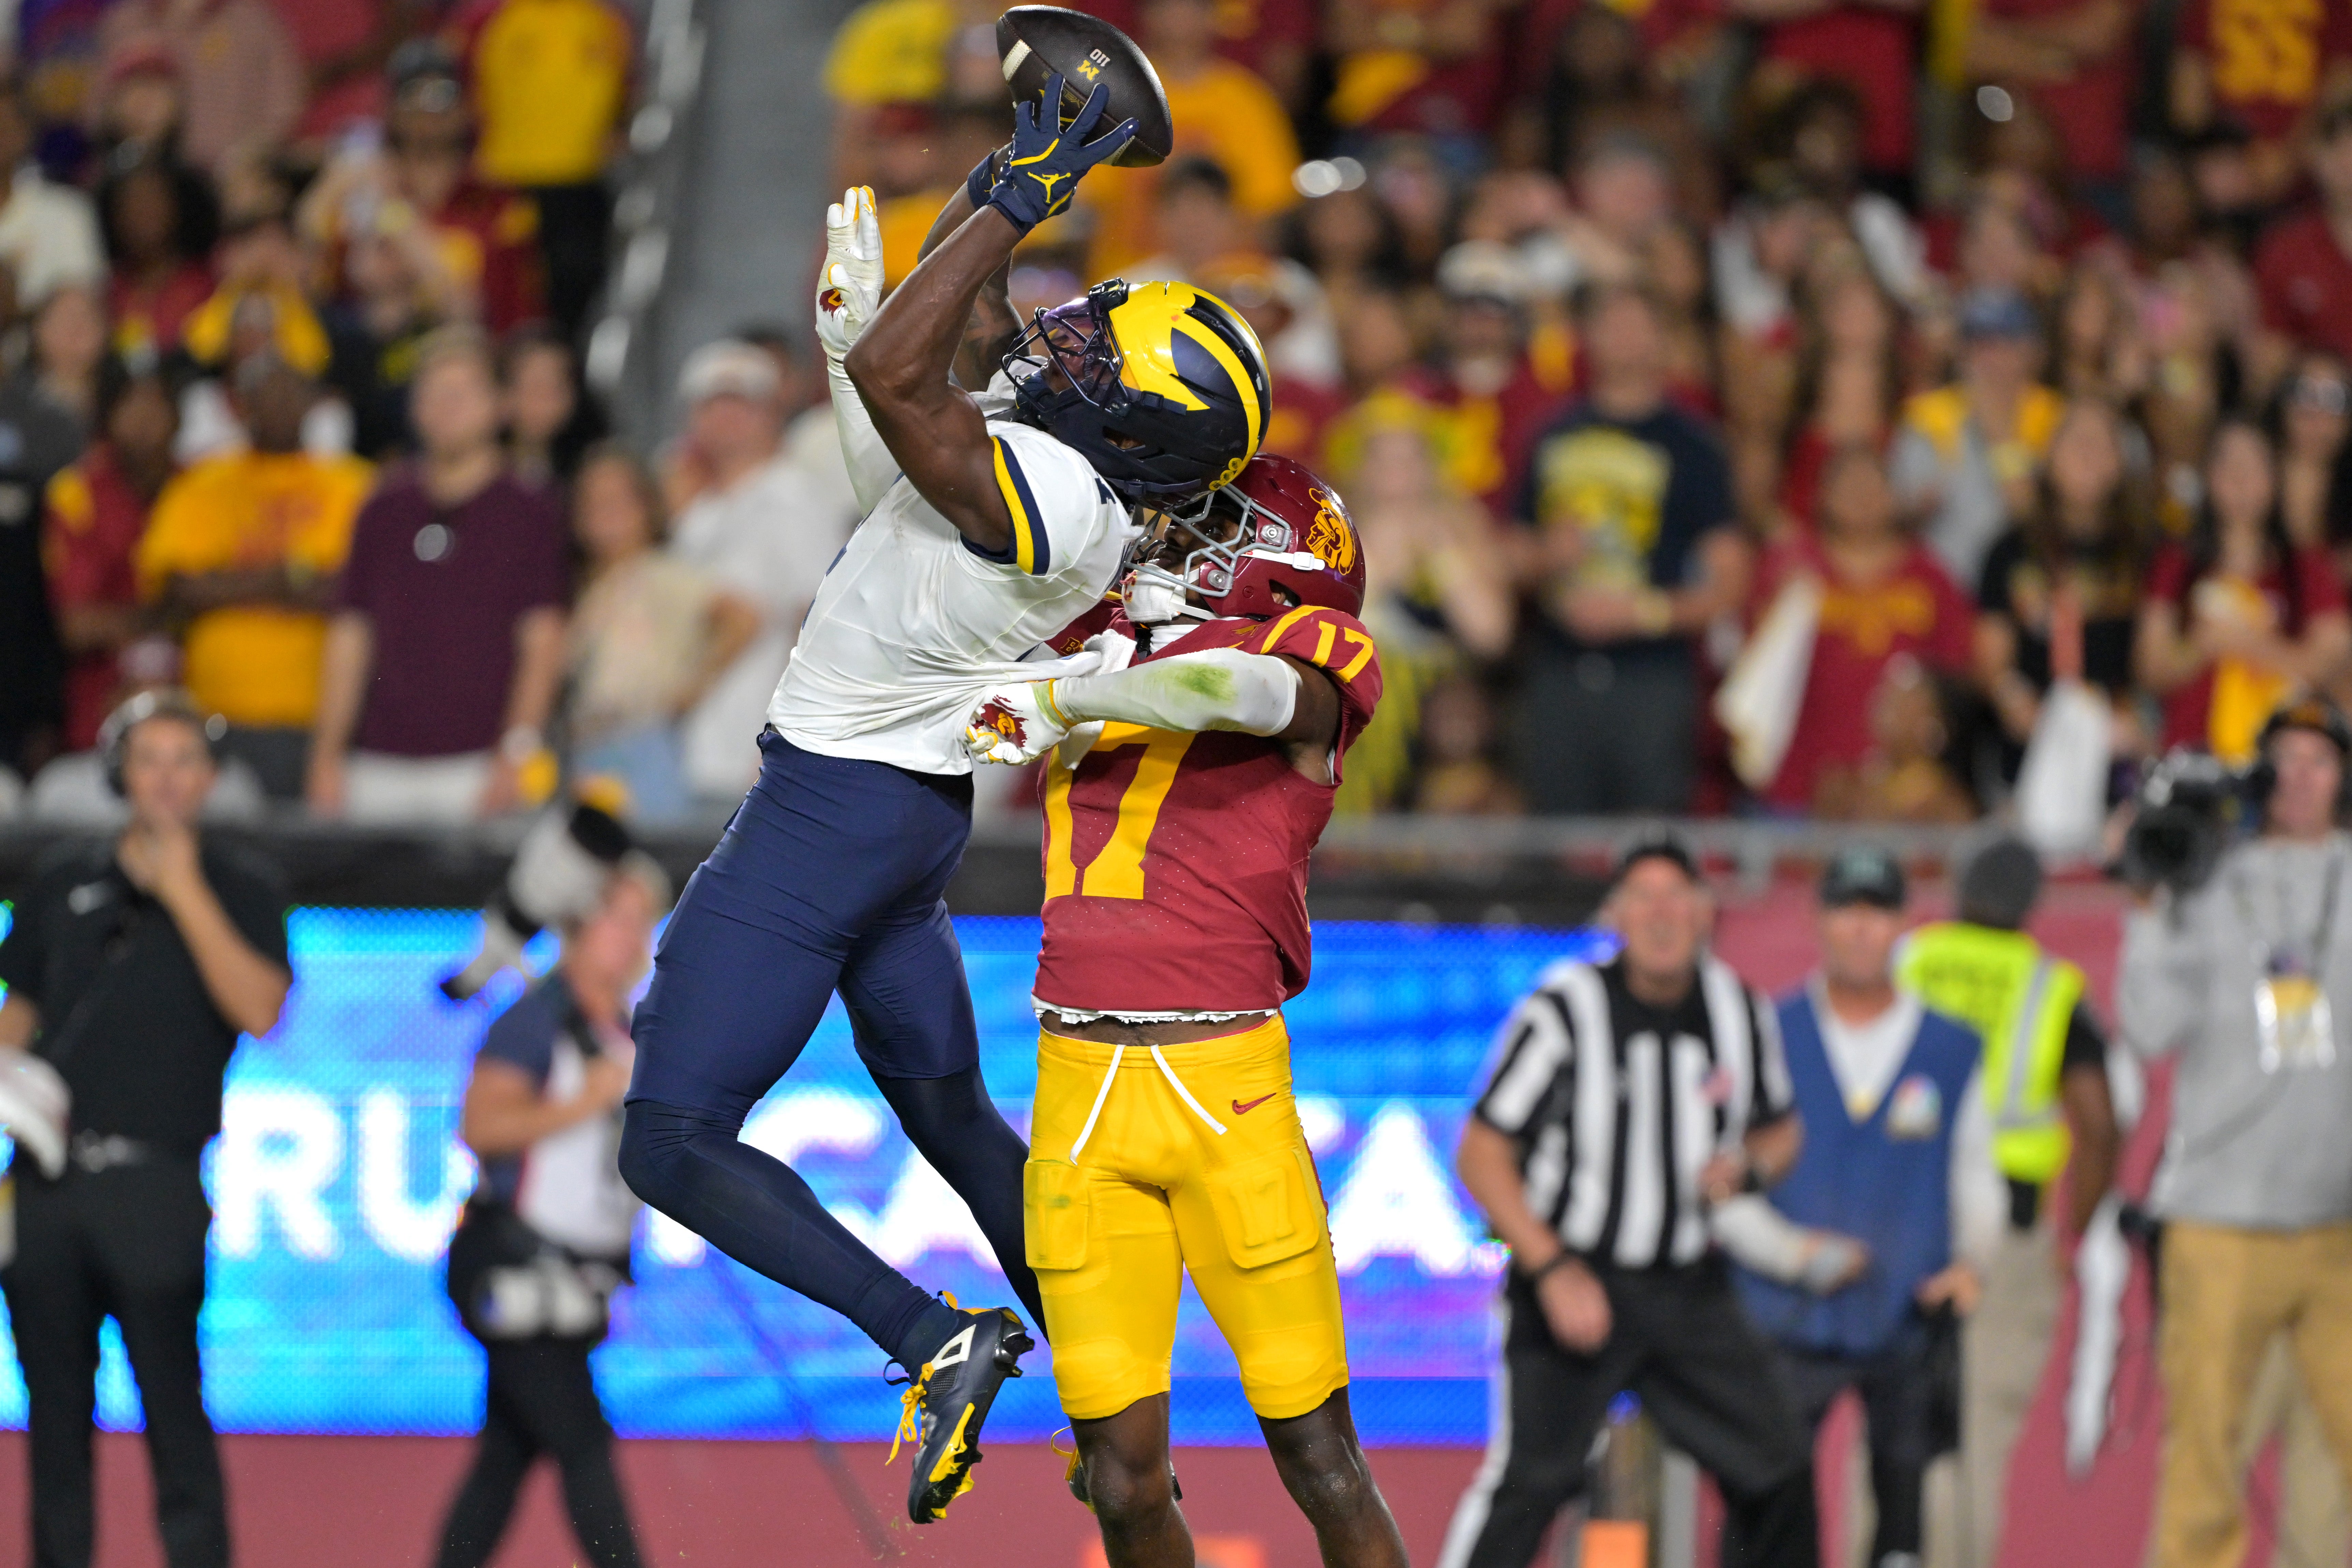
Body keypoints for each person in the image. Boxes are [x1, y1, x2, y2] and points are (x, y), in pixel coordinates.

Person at [615, 88, 1268, 1525]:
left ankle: (932, 1336)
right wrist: (858, 345)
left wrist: (1014, 183)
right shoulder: (1059, 491)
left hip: (830, 816)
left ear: (1136, 419)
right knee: (952, 1115)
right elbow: (895, 468)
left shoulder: (1052, 488)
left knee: (665, 1137)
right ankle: (1115, 1398)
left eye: (1098, 349)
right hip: (900, 816)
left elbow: (920, 387)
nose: (1062, 342)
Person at [960, 456, 1409, 1568]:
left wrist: (1068, 694)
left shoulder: (1306, 653)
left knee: (1318, 1454)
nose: (1171, 536)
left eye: (1213, 523)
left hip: (1222, 1089)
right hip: (1075, 1087)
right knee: (1118, 1478)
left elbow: (1235, 694)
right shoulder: (1090, 638)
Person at [1438, 839, 1819, 1568]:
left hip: (1683, 1284)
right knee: (1532, 1481)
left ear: (1706, 914)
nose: (1661, 915)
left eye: (1677, 897)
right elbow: (1481, 1153)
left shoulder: (1735, 1008)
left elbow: (1781, 1128)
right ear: (1615, 914)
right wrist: (1550, 1269)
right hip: (1572, 1273)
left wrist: (1746, 1167)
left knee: (1776, 1466)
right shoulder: (1564, 1010)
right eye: (1643, 898)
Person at [0, 688, 292, 1568]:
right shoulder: (62, 878)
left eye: (185, 761)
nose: (167, 779)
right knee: (55, 1423)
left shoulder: (244, 887)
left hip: (159, 1184)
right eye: (150, 759)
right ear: (119, 772)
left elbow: (261, 1008)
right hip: (48, 1182)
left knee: (174, 1406)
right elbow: (23, 1010)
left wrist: (184, 887)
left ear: (208, 779)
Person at [2119, 696, 2352, 1568]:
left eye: (2319, 760)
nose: (2298, 777)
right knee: (2206, 1454)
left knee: (2336, 1462)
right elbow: (2147, 1026)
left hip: (2338, 1221)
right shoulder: (2209, 875)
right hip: (2219, 1214)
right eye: (2281, 759)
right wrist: (2151, 901)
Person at [1735, 847, 1980, 1568]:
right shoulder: (1769, 1033)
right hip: (1783, 1316)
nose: (1861, 929)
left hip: (1904, 1314)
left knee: (1905, 1521)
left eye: (1878, 911)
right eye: (1846, 909)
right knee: (1766, 1509)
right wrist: (1792, 1255)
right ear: (1820, 920)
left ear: (1904, 922)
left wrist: (1972, 1262)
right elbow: (1724, 1183)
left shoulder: (1947, 1046)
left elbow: (1974, 1170)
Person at [431, 856, 667, 1568]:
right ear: (576, 926)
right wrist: (581, 1101)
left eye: (640, 923)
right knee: (581, 1443)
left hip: (579, 1278)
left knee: (505, 1457)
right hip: (514, 1264)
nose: (629, 939)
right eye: (615, 920)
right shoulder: (536, 1021)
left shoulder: (628, 1031)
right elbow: (480, 1126)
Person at [1897, 834, 2122, 1568]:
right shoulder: (2046, 988)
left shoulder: (1908, 963)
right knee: (1974, 1448)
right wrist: (2071, 1238)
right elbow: (2097, 1126)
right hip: (2004, 1244)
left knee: (1888, 1439)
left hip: (1901, 1231)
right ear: (2032, 903)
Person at [308, 327, 570, 823]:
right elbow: (351, 634)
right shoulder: (382, 507)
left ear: (500, 406)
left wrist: (516, 753)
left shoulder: (531, 510)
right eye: (432, 393)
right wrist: (327, 755)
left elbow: (544, 639)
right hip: (377, 762)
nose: (446, 407)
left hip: (479, 765)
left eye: (462, 393)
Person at [1513, 281, 1752, 814]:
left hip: (1654, 677)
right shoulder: (1552, 434)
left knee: (1649, 839)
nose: (1624, 339)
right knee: (1555, 849)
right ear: (1588, 337)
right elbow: (1511, 552)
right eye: (1611, 323)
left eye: (1637, 324)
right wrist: (1545, 558)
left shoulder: (1695, 446)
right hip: (1558, 669)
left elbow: (1730, 580)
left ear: (1664, 339)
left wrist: (1640, 612)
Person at [135, 356, 374, 800]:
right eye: (264, 396)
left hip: (321, 718)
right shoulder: (203, 483)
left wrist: (232, 583)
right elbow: (181, 588)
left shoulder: (354, 485)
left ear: (313, 405)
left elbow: (363, 588)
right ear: (240, 407)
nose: (278, 406)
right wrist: (287, 581)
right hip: (215, 712)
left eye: (290, 393)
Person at [662, 339, 853, 803]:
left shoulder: (796, 498)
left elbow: (817, 625)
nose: (727, 418)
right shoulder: (697, 514)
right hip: (689, 749)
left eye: (742, 404)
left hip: (755, 756)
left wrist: (786, 743)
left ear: (772, 412)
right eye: (713, 404)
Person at [2135, 417, 2352, 763]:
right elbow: (2149, 667)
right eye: (2227, 462)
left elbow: (2329, 662)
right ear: (2207, 476)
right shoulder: (2175, 563)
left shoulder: (2307, 567)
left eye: (2254, 464)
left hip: (2280, 766)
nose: (2240, 477)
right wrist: (2199, 647)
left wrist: (2241, 642)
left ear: (2274, 477)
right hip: (2189, 756)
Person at [563, 445, 760, 824]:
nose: (607, 513)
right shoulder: (587, 588)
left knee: (647, 846)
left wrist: (691, 688)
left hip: (641, 741)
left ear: (647, 508)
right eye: (594, 503)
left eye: (619, 501)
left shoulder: (663, 574)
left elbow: (743, 618)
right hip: (588, 745)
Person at [458, 0, 633, 341]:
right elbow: (463, 89)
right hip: (509, 181)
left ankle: (566, 367)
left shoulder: (606, 21)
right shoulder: (487, 18)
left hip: (581, 182)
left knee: (578, 287)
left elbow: (626, 91)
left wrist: (617, 131)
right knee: (506, 289)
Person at [43, 355, 181, 751]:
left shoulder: (200, 490)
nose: (144, 419)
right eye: (130, 404)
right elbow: (76, 626)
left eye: (157, 404)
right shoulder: (76, 494)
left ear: (177, 418)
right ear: (108, 417)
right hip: (99, 716)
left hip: (196, 717)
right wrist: (170, 615)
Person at [1890, 288, 2067, 590]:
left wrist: (1998, 435)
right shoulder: (1927, 417)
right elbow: (1893, 522)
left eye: (2003, 342)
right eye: (1976, 342)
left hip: (2030, 594)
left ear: (2033, 351)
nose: (1987, 356)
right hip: (1943, 592)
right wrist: (1914, 511)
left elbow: (2036, 519)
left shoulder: (2058, 418)